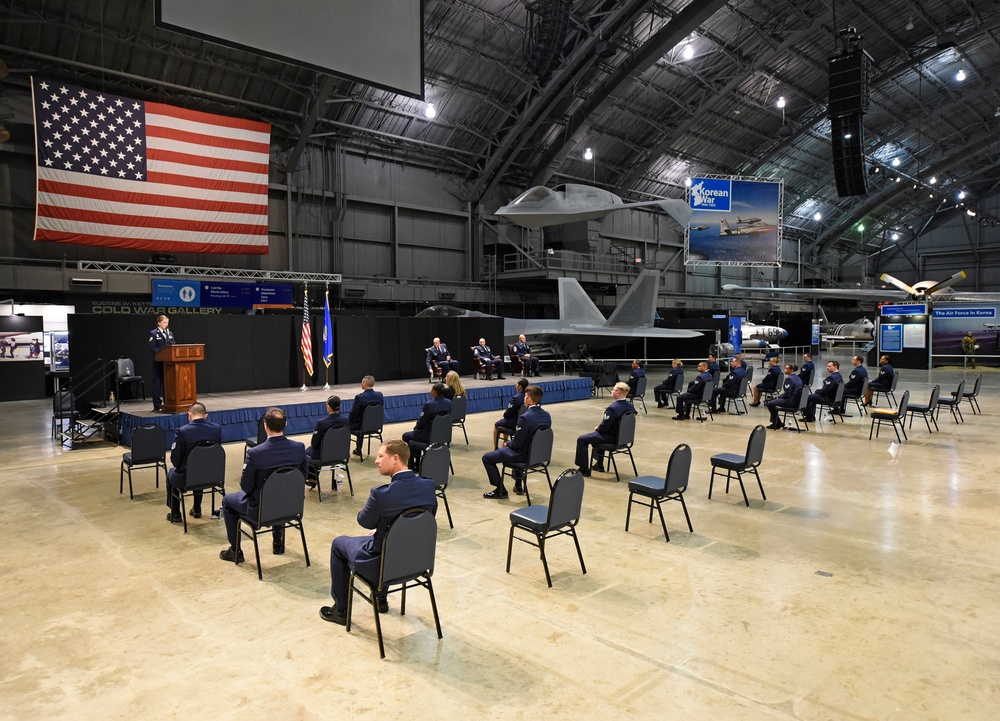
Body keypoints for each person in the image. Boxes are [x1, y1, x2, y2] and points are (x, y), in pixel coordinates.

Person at [320, 439, 437, 626]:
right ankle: (381, 599)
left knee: (338, 544)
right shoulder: (428, 486)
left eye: (381, 456)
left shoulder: (382, 494)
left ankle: (341, 610)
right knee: (389, 542)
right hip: (418, 561)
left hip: (382, 566)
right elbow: (425, 519)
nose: (376, 460)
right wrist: (389, 526)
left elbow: (363, 521)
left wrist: (385, 524)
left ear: (395, 458)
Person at [219, 407, 307, 562]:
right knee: (281, 492)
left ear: (265, 425)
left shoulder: (256, 453)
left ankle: (235, 550)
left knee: (227, 501)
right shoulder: (299, 448)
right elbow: (302, 478)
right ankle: (278, 544)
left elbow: (245, 486)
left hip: (260, 512)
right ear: (286, 424)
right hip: (292, 507)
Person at [482, 385, 550, 498]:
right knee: (512, 449)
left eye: (526, 396)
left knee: (487, 458)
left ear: (528, 399)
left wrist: (506, 443)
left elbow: (517, 444)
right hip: (540, 456)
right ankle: (518, 483)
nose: (524, 399)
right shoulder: (547, 416)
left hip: (524, 456)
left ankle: (500, 490)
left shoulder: (525, 418)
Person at [165, 402, 222, 522]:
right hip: (212, 476)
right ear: (205, 416)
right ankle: (197, 508)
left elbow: (175, 460)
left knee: (172, 473)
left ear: (189, 415)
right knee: (200, 466)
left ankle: (175, 513)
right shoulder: (216, 430)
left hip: (187, 478)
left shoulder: (182, 432)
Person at [575, 382, 632, 476]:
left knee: (582, 439)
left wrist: (597, 429)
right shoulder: (630, 406)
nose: (612, 391)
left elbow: (605, 427)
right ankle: (599, 464)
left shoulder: (613, 408)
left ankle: (584, 469)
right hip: (623, 438)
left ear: (618, 393)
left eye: (613, 389)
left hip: (611, 438)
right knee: (595, 437)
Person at [402, 382, 452, 469]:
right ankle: (416, 463)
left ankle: (412, 464)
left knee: (406, 436)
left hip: (429, 436)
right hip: (444, 435)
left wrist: (417, 428)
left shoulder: (429, 405)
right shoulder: (449, 403)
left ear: (435, 392)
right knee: (415, 434)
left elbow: (422, 421)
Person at [305, 395, 348, 485]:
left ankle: (311, 478)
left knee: (305, 452)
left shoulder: (322, 423)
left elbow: (314, 443)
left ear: (328, 406)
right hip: (342, 454)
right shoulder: (346, 421)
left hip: (323, 456)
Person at [348, 375, 384, 456]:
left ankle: (349, 452)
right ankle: (358, 449)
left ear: (364, 383)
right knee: (363, 421)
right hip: (376, 425)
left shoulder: (360, 398)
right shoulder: (380, 395)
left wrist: (348, 420)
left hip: (361, 427)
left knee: (347, 426)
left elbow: (354, 414)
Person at [148, 314, 175, 412]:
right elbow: (152, 347)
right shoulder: (154, 333)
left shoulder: (170, 333)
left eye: (167, 322)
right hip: (159, 362)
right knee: (157, 383)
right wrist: (161, 354)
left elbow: (173, 346)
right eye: (164, 322)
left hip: (168, 363)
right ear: (159, 323)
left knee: (168, 383)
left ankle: (167, 402)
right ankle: (156, 404)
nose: (166, 324)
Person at [494, 377, 528, 449]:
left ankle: (495, 448)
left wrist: (506, 415)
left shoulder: (516, 398)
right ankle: (504, 443)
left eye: (516, 384)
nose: (515, 386)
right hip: (525, 422)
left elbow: (508, 413)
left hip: (514, 423)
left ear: (520, 386)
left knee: (497, 425)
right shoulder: (529, 397)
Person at [766, 363, 803, 430]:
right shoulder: (798, 378)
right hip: (797, 401)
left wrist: (779, 397)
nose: (785, 370)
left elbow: (787, 393)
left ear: (791, 370)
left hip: (790, 401)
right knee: (774, 401)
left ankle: (776, 423)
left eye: (786, 369)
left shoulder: (789, 379)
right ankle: (778, 422)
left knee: (770, 403)